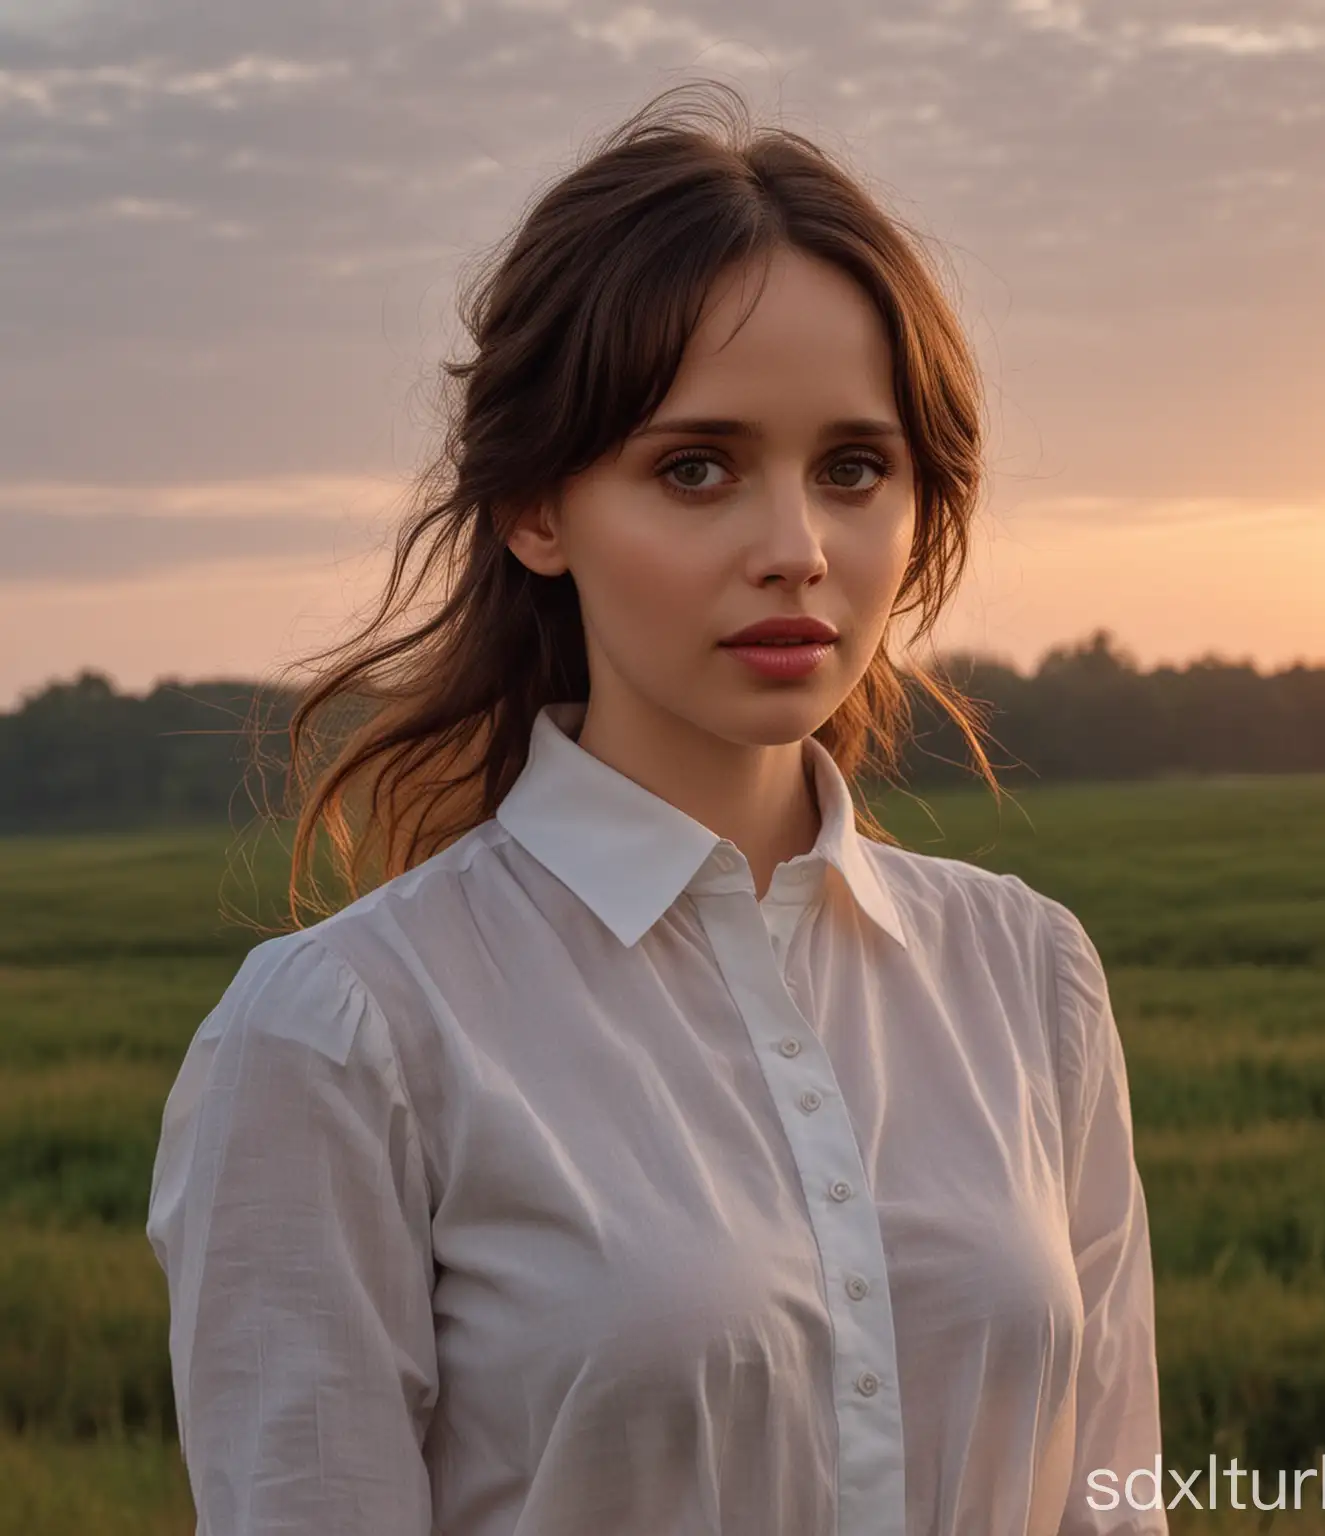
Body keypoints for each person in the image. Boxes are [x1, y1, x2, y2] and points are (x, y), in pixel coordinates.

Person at [146, 79, 1166, 1536]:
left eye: (854, 469)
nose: (798, 549)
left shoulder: (1029, 979)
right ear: (536, 510)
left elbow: (1114, 1500)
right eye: (696, 468)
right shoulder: (343, 1035)